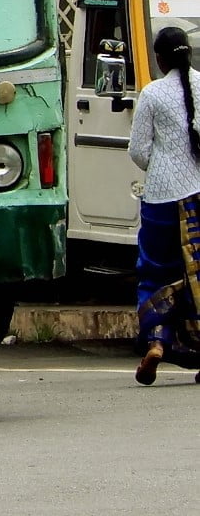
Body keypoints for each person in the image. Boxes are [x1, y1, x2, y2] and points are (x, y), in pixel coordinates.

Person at [126, 25, 200, 384]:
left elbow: (138, 151)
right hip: (199, 196)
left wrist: (162, 163)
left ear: (159, 58)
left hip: (160, 197)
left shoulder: (152, 94)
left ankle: (156, 341)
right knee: (197, 275)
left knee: (157, 272)